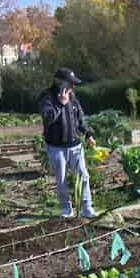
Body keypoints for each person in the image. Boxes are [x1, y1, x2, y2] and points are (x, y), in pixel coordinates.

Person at [38, 68, 98, 219]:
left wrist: (88, 134)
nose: (73, 87)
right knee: (62, 179)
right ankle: (66, 209)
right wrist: (60, 104)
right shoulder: (47, 97)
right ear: (60, 82)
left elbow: (80, 119)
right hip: (56, 147)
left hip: (75, 145)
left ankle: (87, 207)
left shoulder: (73, 97)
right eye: (71, 83)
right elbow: (47, 118)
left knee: (83, 175)